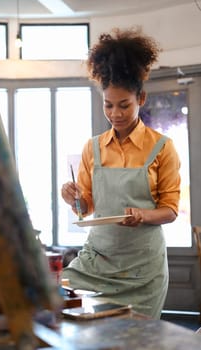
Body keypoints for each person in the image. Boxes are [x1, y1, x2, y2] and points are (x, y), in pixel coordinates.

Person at [61, 27, 180, 319]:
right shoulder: (93, 148)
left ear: (141, 98)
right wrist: (73, 197)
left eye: (124, 105)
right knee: (66, 314)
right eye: (108, 105)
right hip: (97, 262)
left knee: (134, 341)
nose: (115, 113)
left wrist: (142, 215)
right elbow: (85, 208)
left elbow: (170, 210)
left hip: (143, 270)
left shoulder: (162, 148)